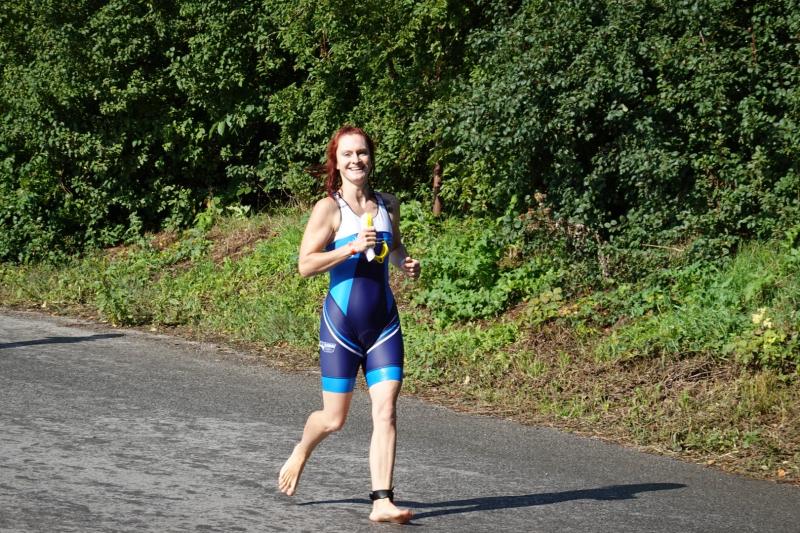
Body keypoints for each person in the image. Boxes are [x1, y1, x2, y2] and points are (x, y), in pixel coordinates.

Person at [278, 125, 420, 524]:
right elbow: (306, 264)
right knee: (334, 419)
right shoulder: (329, 209)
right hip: (341, 326)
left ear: (371, 158)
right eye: (347, 154)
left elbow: (393, 248)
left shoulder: (388, 204)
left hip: (383, 325)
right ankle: (302, 449)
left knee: (386, 410)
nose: (356, 160)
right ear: (336, 163)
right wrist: (351, 248)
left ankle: (382, 501)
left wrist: (405, 262)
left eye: (362, 152)